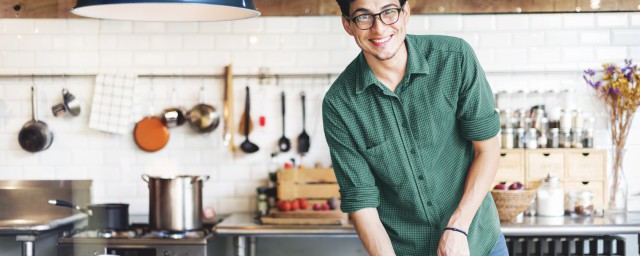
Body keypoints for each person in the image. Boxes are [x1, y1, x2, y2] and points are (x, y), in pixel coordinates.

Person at [322, 0, 508, 255]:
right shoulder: (340, 104)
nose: (379, 28)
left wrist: (457, 229)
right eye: (364, 17)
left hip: (478, 241)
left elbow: (487, 150)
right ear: (347, 25)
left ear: (405, 12)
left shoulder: (454, 58)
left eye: (389, 12)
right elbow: (362, 203)